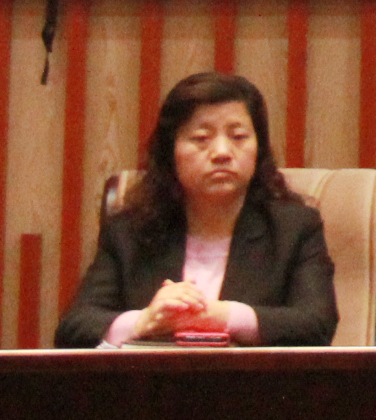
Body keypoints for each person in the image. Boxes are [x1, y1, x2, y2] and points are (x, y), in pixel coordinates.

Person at [56, 70, 338, 347]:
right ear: (171, 153)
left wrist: (225, 317)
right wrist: (145, 321)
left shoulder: (294, 229)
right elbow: (74, 327)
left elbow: (316, 324)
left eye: (238, 137)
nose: (222, 152)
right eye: (201, 139)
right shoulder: (129, 232)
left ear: (259, 149)